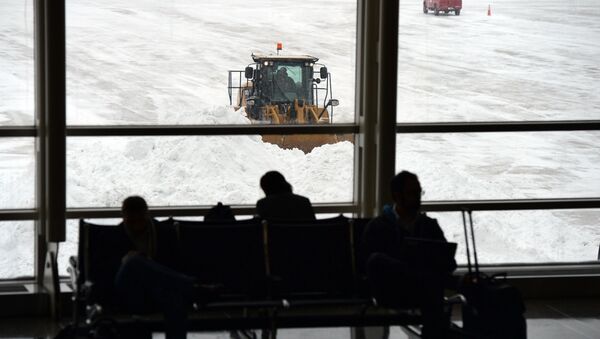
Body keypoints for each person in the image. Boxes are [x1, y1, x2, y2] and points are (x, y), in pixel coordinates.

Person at [360, 171, 457, 339]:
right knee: (377, 261)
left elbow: (449, 263)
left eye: (419, 192)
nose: (418, 197)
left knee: (430, 285)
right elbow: (367, 267)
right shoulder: (378, 227)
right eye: (413, 193)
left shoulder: (429, 226)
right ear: (397, 196)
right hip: (393, 291)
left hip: (421, 292)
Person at [114, 196, 214, 339]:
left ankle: (190, 287)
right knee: (133, 261)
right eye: (131, 222)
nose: (135, 225)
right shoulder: (114, 237)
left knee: (174, 300)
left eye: (138, 221)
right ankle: (192, 287)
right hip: (128, 289)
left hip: (155, 290)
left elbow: (175, 265)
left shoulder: (164, 233)